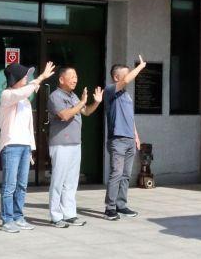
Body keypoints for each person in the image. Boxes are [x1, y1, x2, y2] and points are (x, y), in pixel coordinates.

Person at [0, 60, 56, 233]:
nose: (26, 78)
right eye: (24, 76)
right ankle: (7, 220)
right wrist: (41, 77)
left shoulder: (24, 100)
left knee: (22, 185)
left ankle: (18, 217)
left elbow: (28, 125)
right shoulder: (7, 95)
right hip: (11, 145)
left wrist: (31, 147)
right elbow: (27, 89)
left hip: (24, 146)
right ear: (15, 78)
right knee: (9, 185)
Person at [47, 67, 101, 227]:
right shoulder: (55, 96)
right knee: (58, 181)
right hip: (61, 143)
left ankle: (69, 214)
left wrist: (96, 102)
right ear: (61, 79)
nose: (75, 79)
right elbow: (65, 115)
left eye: (76, 76)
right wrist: (82, 102)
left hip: (75, 143)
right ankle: (56, 216)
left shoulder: (74, 96)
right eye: (71, 76)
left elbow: (86, 111)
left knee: (71, 182)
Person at [102, 56, 147, 220]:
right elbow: (127, 79)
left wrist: (136, 136)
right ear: (116, 77)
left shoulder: (127, 96)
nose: (129, 77)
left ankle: (121, 205)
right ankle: (110, 208)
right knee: (116, 173)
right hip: (117, 140)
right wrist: (140, 67)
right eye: (125, 74)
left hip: (129, 140)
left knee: (126, 175)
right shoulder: (110, 91)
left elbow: (130, 118)